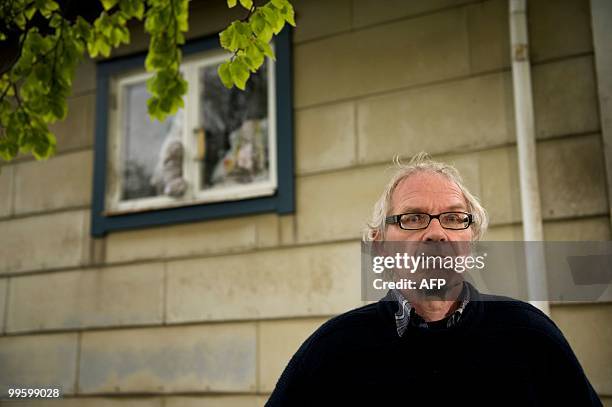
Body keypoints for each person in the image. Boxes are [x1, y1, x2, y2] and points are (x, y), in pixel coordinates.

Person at [266, 153, 601, 406]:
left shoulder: (531, 336)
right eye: (413, 218)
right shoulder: (332, 350)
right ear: (380, 245)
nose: (436, 233)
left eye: (454, 218)